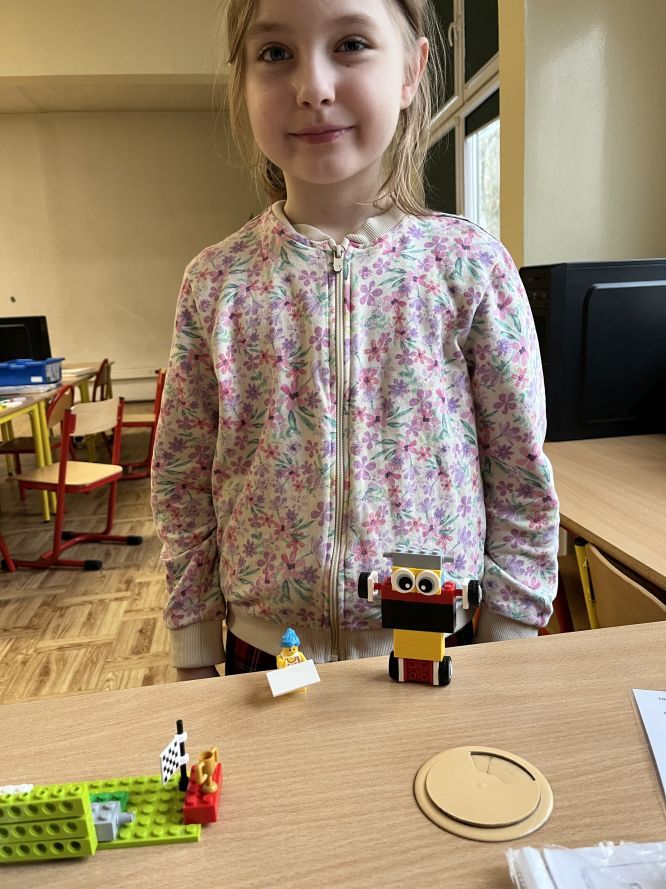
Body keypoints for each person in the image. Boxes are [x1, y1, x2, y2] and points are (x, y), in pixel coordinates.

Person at [151, 0, 560, 681]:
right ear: (242, 81)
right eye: (275, 53)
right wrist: (193, 644)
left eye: (350, 44)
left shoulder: (469, 268)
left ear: (411, 71)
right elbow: (182, 478)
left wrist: (510, 638)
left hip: (439, 644)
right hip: (266, 655)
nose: (313, 86)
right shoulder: (217, 282)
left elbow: (519, 473)